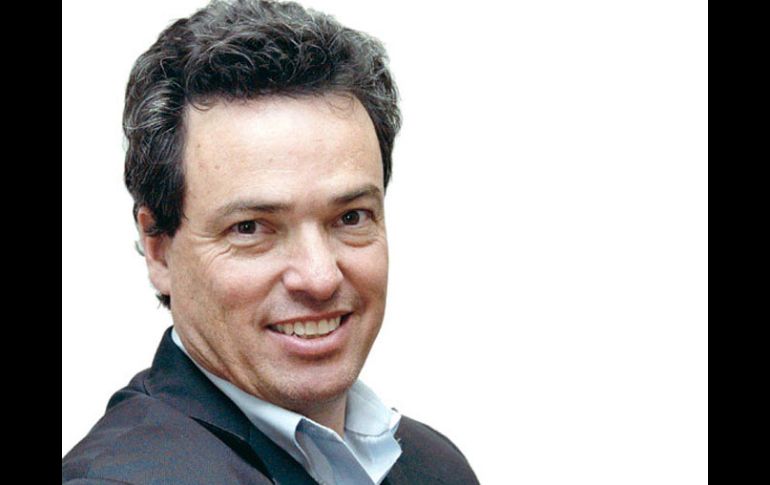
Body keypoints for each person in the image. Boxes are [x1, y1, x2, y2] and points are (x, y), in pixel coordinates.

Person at [62, 1, 479, 484]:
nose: (319, 278)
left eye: (350, 217)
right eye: (251, 228)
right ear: (158, 248)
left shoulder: (433, 466)